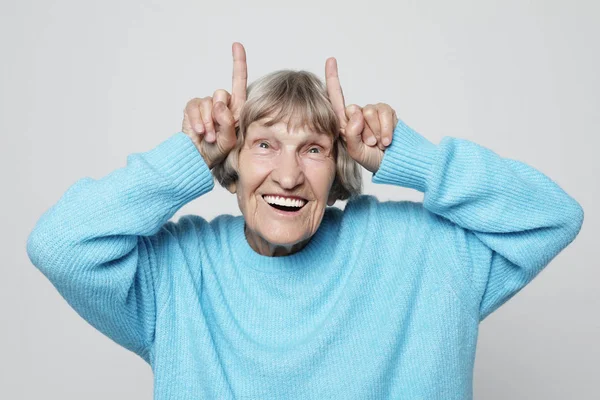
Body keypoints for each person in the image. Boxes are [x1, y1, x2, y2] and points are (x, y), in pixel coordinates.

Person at [26, 42, 584, 399]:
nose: (288, 175)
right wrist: (189, 156)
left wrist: (413, 159)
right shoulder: (178, 274)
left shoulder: (420, 252)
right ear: (233, 163)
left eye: (313, 149)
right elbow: (60, 245)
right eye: (265, 144)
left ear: (338, 164)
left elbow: (553, 216)